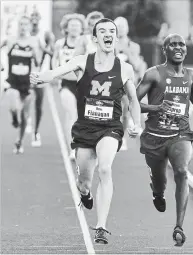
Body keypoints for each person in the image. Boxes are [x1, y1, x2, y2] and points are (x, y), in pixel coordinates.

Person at [30, 18, 141, 244]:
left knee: (106, 168)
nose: (108, 35)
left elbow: (133, 99)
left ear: (116, 38)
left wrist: (135, 124)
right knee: (84, 181)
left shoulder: (125, 68)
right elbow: (58, 71)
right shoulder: (82, 61)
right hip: (85, 128)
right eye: (102, 31)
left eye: (112, 31)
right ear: (94, 38)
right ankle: (85, 193)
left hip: (110, 128)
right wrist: (42, 77)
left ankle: (101, 226)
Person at [136, 34, 193, 246]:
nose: (178, 47)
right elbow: (132, 102)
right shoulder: (153, 74)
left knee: (181, 171)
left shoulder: (190, 74)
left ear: (186, 50)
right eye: (173, 44)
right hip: (155, 136)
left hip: (180, 133)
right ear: (165, 50)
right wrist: (155, 108)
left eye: (182, 44)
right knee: (160, 181)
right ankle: (157, 190)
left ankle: (179, 225)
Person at [1, 16, 40, 153]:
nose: (23, 27)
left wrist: (36, 51)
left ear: (29, 27)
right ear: (18, 26)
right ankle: (14, 117)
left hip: (27, 83)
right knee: (14, 106)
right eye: (21, 24)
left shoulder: (33, 42)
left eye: (26, 25)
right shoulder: (10, 40)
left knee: (25, 115)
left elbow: (38, 62)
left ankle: (19, 141)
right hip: (12, 81)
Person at [51, 13, 86, 160]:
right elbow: (54, 60)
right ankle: (73, 148)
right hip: (66, 83)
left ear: (81, 28)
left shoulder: (85, 43)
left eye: (77, 26)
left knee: (82, 117)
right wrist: (55, 74)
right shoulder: (60, 43)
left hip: (83, 84)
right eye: (71, 25)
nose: (74, 28)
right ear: (66, 27)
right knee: (72, 114)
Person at [114, 16, 147, 150]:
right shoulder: (109, 43)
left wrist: (126, 49)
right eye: (118, 26)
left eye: (123, 26)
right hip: (111, 83)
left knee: (125, 112)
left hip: (126, 84)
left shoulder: (133, 46)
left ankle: (121, 137)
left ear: (127, 28)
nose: (121, 29)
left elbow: (137, 65)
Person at [28, 6, 55, 147]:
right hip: (26, 73)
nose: (34, 21)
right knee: (25, 101)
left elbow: (53, 54)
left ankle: (36, 132)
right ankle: (26, 119)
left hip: (40, 73)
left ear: (39, 20)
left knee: (38, 104)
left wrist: (43, 48)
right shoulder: (25, 33)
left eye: (36, 18)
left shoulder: (46, 34)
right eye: (31, 18)